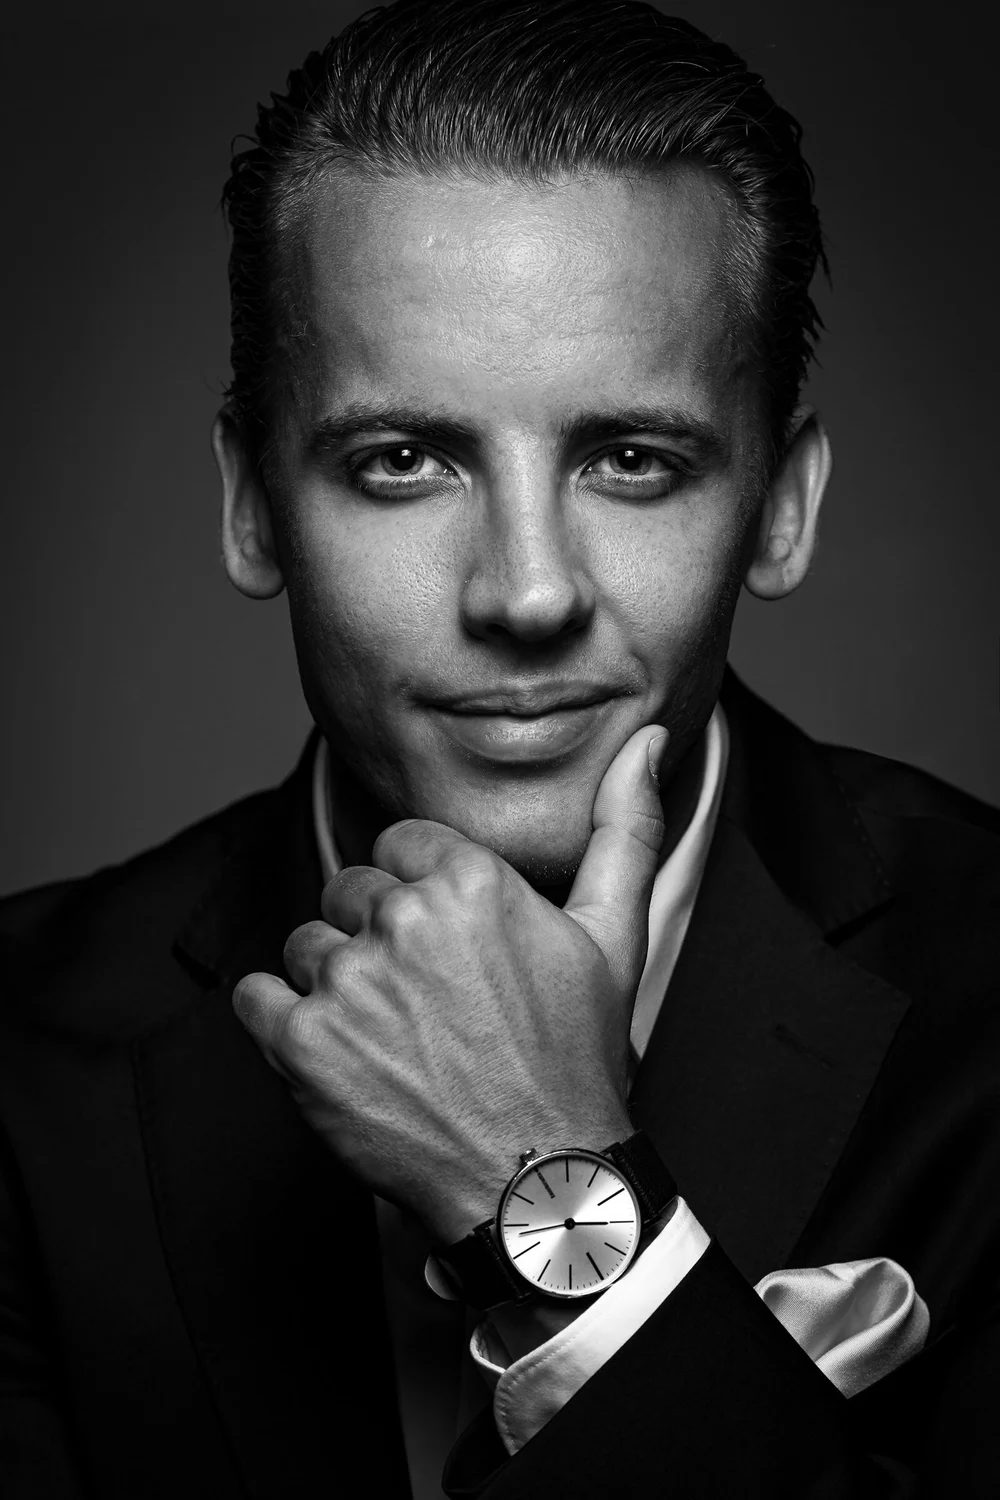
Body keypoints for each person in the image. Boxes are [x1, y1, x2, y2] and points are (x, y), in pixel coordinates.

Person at [1, 1, 997, 1495]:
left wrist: (550, 1190)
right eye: (402, 460)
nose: (527, 593)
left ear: (780, 508)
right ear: (254, 505)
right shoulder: (19, 1060)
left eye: (632, 460)